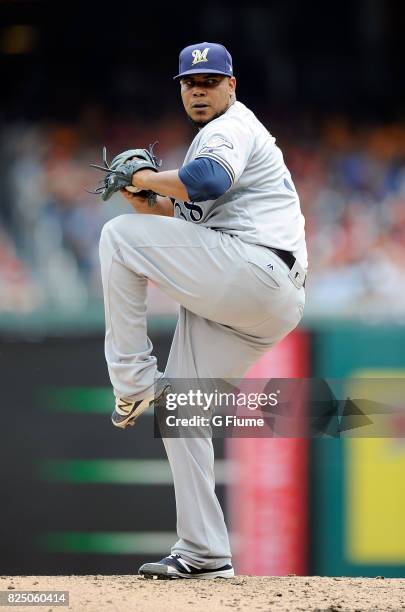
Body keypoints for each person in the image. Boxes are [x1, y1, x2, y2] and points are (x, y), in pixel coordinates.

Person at [98, 42, 307, 579]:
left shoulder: (228, 128)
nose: (199, 89)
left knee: (118, 239)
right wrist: (139, 193)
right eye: (191, 83)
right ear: (181, 89)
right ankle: (205, 553)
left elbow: (208, 180)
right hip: (261, 297)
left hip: (254, 270)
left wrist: (143, 177)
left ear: (231, 86)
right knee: (182, 413)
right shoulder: (211, 141)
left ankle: (131, 379)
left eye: (211, 81)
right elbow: (183, 209)